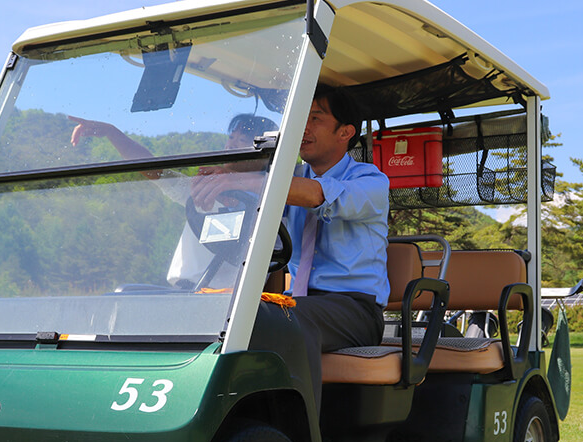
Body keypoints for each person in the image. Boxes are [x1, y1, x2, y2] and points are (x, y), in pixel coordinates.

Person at [247, 84, 391, 410]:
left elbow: (315, 195)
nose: (304, 127)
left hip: (356, 310)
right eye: (301, 118)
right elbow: (258, 215)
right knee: (238, 312)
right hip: (301, 303)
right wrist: (219, 189)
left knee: (283, 318)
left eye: (315, 118)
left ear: (345, 132)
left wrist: (250, 182)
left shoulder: (371, 181)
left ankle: (299, 434)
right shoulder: (289, 178)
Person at [69, 113, 279, 288]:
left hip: (228, 306)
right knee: (122, 295)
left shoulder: (273, 197)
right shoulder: (201, 187)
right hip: (184, 295)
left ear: (263, 154)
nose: (231, 145)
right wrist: (111, 132)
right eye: (231, 138)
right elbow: (152, 168)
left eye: (242, 141)